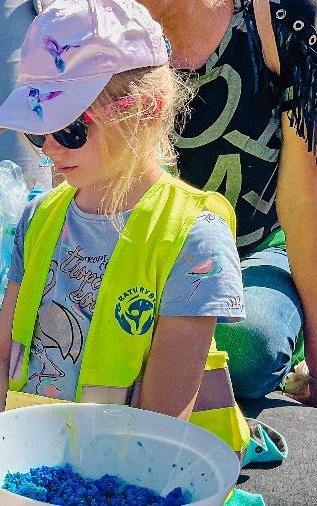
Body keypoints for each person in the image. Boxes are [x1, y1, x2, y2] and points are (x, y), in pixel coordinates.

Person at [0, 0, 250, 501]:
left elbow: (160, 428)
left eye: (69, 129)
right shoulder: (41, 217)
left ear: (145, 111)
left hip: (132, 480)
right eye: (35, 130)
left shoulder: (193, 238)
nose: (48, 150)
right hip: (29, 469)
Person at [135, 0, 317, 404]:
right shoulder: (103, 26)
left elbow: (302, 203)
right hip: (148, 260)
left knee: (250, 344)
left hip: (257, 254)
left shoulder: (279, 18)